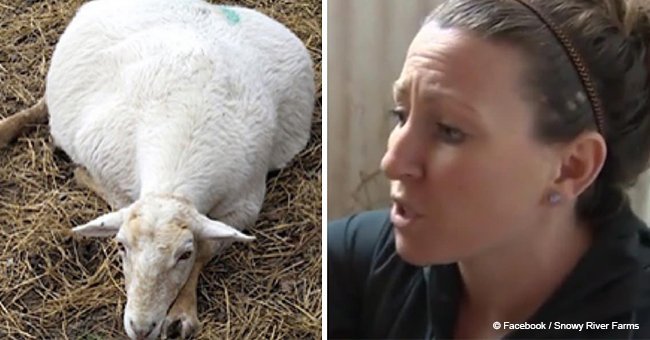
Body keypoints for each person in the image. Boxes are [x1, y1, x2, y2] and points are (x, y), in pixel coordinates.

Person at [328, 0, 650, 338]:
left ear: (571, 167)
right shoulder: (353, 265)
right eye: (401, 115)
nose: (392, 163)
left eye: (449, 130)